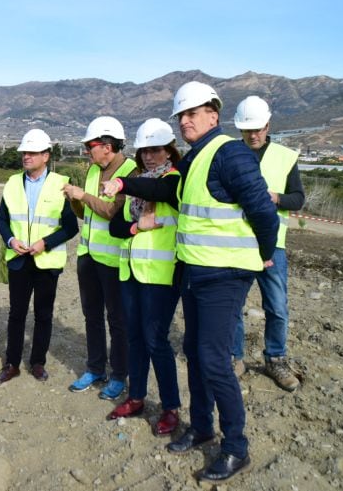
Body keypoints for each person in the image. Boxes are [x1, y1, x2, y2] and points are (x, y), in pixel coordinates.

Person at [101, 82, 278, 482]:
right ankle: (201, 427)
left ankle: (236, 447)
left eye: (193, 113)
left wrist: (263, 254)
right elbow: (162, 187)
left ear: (214, 115)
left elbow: (263, 211)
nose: (185, 121)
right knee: (196, 354)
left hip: (226, 274)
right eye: (181, 115)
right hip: (197, 271)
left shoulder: (229, 153)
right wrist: (126, 183)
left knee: (214, 359)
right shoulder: (196, 159)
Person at [106, 118, 182, 437]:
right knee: (134, 337)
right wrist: (138, 227)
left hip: (162, 276)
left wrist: (123, 184)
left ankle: (170, 407)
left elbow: (160, 190)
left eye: (156, 150)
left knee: (156, 340)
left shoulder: (175, 179)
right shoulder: (139, 183)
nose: (149, 156)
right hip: (132, 272)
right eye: (144, 151)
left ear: (169, 151)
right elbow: (116, 228)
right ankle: (136, 397)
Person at [0, 128, 79, 384]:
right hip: (19, 261)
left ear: (46, 155)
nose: (26, 156)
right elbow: (1, 219)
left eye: (31, 152)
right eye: (24, 152)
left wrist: (46, 243)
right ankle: (12, 364)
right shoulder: (11, 184)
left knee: (43, 314)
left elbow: (71, 227)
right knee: (16, 314)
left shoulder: (60, 184)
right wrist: (11, 240)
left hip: (47, 262)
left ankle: (38, 362)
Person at [231, 96, 304, 392]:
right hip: (238, 242)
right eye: (247, 130)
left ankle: (275, 358)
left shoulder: (286, 157)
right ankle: (235, 357)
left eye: (258, 129)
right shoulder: (230, 154)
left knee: (277, 307)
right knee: (234, 304)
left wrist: (275, 198)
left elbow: (298, 199)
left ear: (268, 125)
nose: (253, 135)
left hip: (273, 246)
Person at [62, 116, 137, 400]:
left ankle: (119, 375)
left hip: (114, 259)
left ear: (107, 146)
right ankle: (95, 368)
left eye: (90, 145)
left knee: (117, 320)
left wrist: (83, 194)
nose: (86, 151)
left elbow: (110, 212)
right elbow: (87, 214)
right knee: (91, 316)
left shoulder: (130, 171)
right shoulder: (94, 170)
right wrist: (74, 199)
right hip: (89, 256)